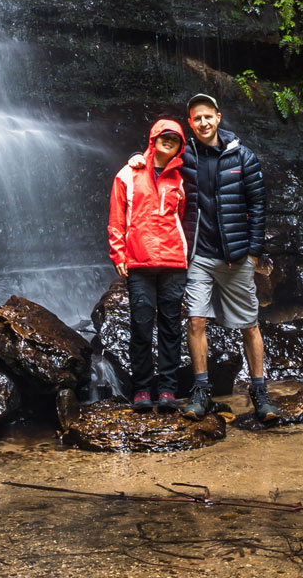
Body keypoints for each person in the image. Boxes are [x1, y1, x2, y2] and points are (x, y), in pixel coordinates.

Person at [179, 92, 280, 424]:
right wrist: (138, 156)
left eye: (208, 116)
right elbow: (155, 159)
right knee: (196, 320)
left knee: (249, 325)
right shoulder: (185, 157)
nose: (203, 123)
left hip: (236, 258)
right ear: (190, 122)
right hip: (199, 256)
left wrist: (251, 254)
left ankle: (259, 393)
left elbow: (258, 206)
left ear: (218, 118)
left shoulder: (243, 157)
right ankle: (202, 392)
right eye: (197, 118)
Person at [107, 118, 190, 412]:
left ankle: (167, 388)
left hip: (173, 261)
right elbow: (117, 218)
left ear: (181, 145)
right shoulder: (128, 173)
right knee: (141, 325)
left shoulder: (180, 177)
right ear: (153, 139)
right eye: (164, 136)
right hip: (139, 261)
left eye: (175, 138)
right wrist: (118, 254)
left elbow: (179, 215)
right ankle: (142, 388)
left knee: (170, 327)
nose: (169, 141)